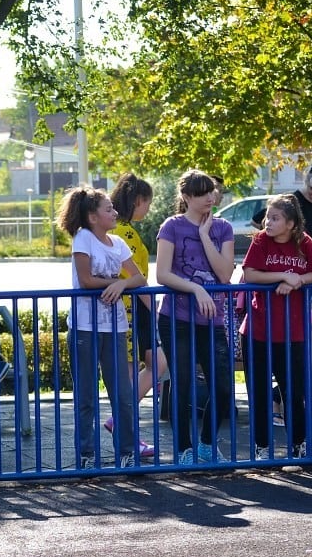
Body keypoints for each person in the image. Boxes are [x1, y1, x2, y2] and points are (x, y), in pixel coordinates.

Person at [57, 185, 145, 469]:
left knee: (122, 393)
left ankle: (128, 451)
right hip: (85, 326)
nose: (115, 212)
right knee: (86, 395)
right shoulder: (83, 238)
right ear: (93, 217)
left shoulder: (117, 243)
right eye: (109, 209)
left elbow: (139, 278)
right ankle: (86, 454)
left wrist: (121, 282)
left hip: (115, 327)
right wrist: (117, 283)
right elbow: (86, 281)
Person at [156, 170, 236, 464]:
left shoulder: (222, 228)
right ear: (186, 197)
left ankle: (206, 442)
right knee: (183, 383)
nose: (210, 198)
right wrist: (196, 289)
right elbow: (162, 273)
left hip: (210, 321)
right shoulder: (172, 226)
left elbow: (225, 274)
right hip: (176, 318)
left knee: (223, 385)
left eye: (212, 191)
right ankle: (183, 448)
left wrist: (204, 236)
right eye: (202, 193)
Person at [241, 195, 312, 460]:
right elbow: (250, 273)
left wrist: (297, 281)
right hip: (258, 331)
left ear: (291, 223)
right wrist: (282, 275)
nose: (268, 222)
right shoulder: (260, 242)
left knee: (294, 392)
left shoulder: (305, 242)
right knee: (258, 392)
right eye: (268, 216)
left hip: (293, 332)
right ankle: (262, 446)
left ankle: (299, 444)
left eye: (275, 218)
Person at [104, 173, 164, 457]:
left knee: (156, 364)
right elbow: (136, 277)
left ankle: (122, 424)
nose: (148, 209)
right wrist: (157, 308)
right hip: (130, 309)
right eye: (147, 204)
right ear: (137, 200)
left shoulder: (121, 230)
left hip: (131, 308)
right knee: (135, 373)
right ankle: (127, 432)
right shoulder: (124, 232)